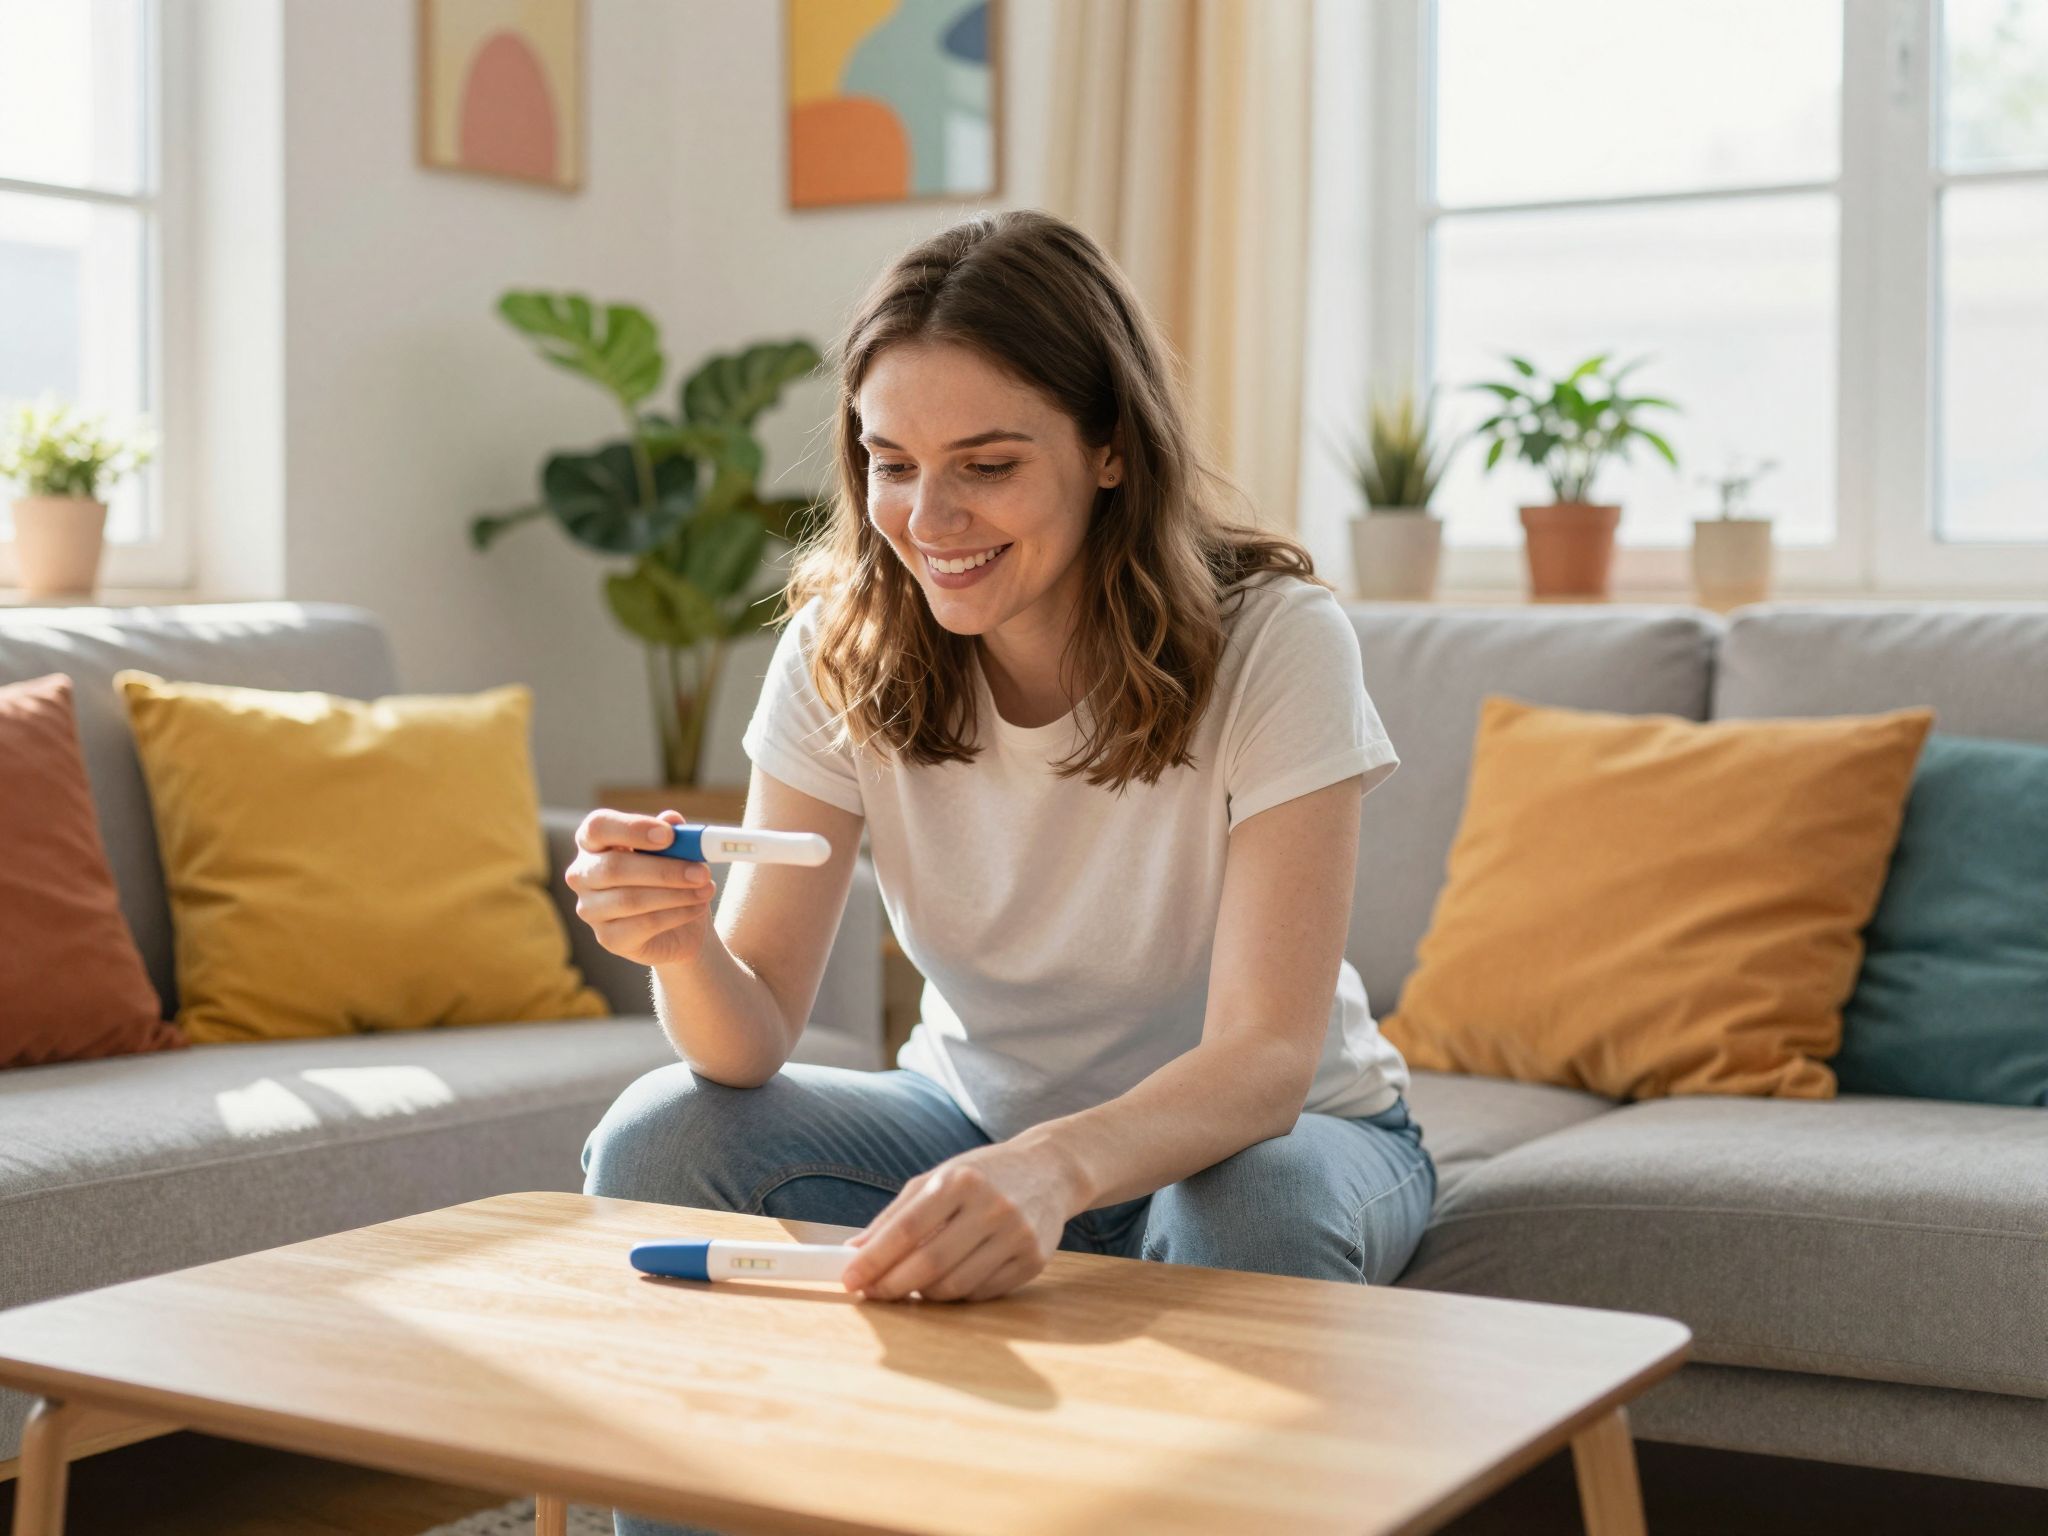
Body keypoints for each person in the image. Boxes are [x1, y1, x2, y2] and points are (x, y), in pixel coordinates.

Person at [568, 207, 1433, 1536]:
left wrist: (1051, 1170)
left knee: (1250, 1206)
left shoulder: (1276, 640)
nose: (929, 518)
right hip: (973, 1126)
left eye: (986, 464)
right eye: (891, 464)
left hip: (1281, 1136)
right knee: (660, 1133)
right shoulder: (842, 649)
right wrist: (681, 947)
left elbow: (1264, 1060)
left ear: (1109, 448)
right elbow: (749, 1040)